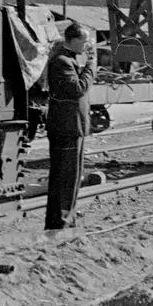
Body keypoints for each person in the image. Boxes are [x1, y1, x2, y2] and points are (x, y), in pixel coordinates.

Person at [43, 22, 96, 230]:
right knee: (67, 179)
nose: (87, 45)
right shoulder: (63, 62)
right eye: (84, 41)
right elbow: (78, 88)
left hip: (71, 127)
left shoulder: (69, 60)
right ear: (73, 40)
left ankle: (64, 220)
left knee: (69, 178)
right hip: (68, 128)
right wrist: (92, 65)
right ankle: (61, 223)